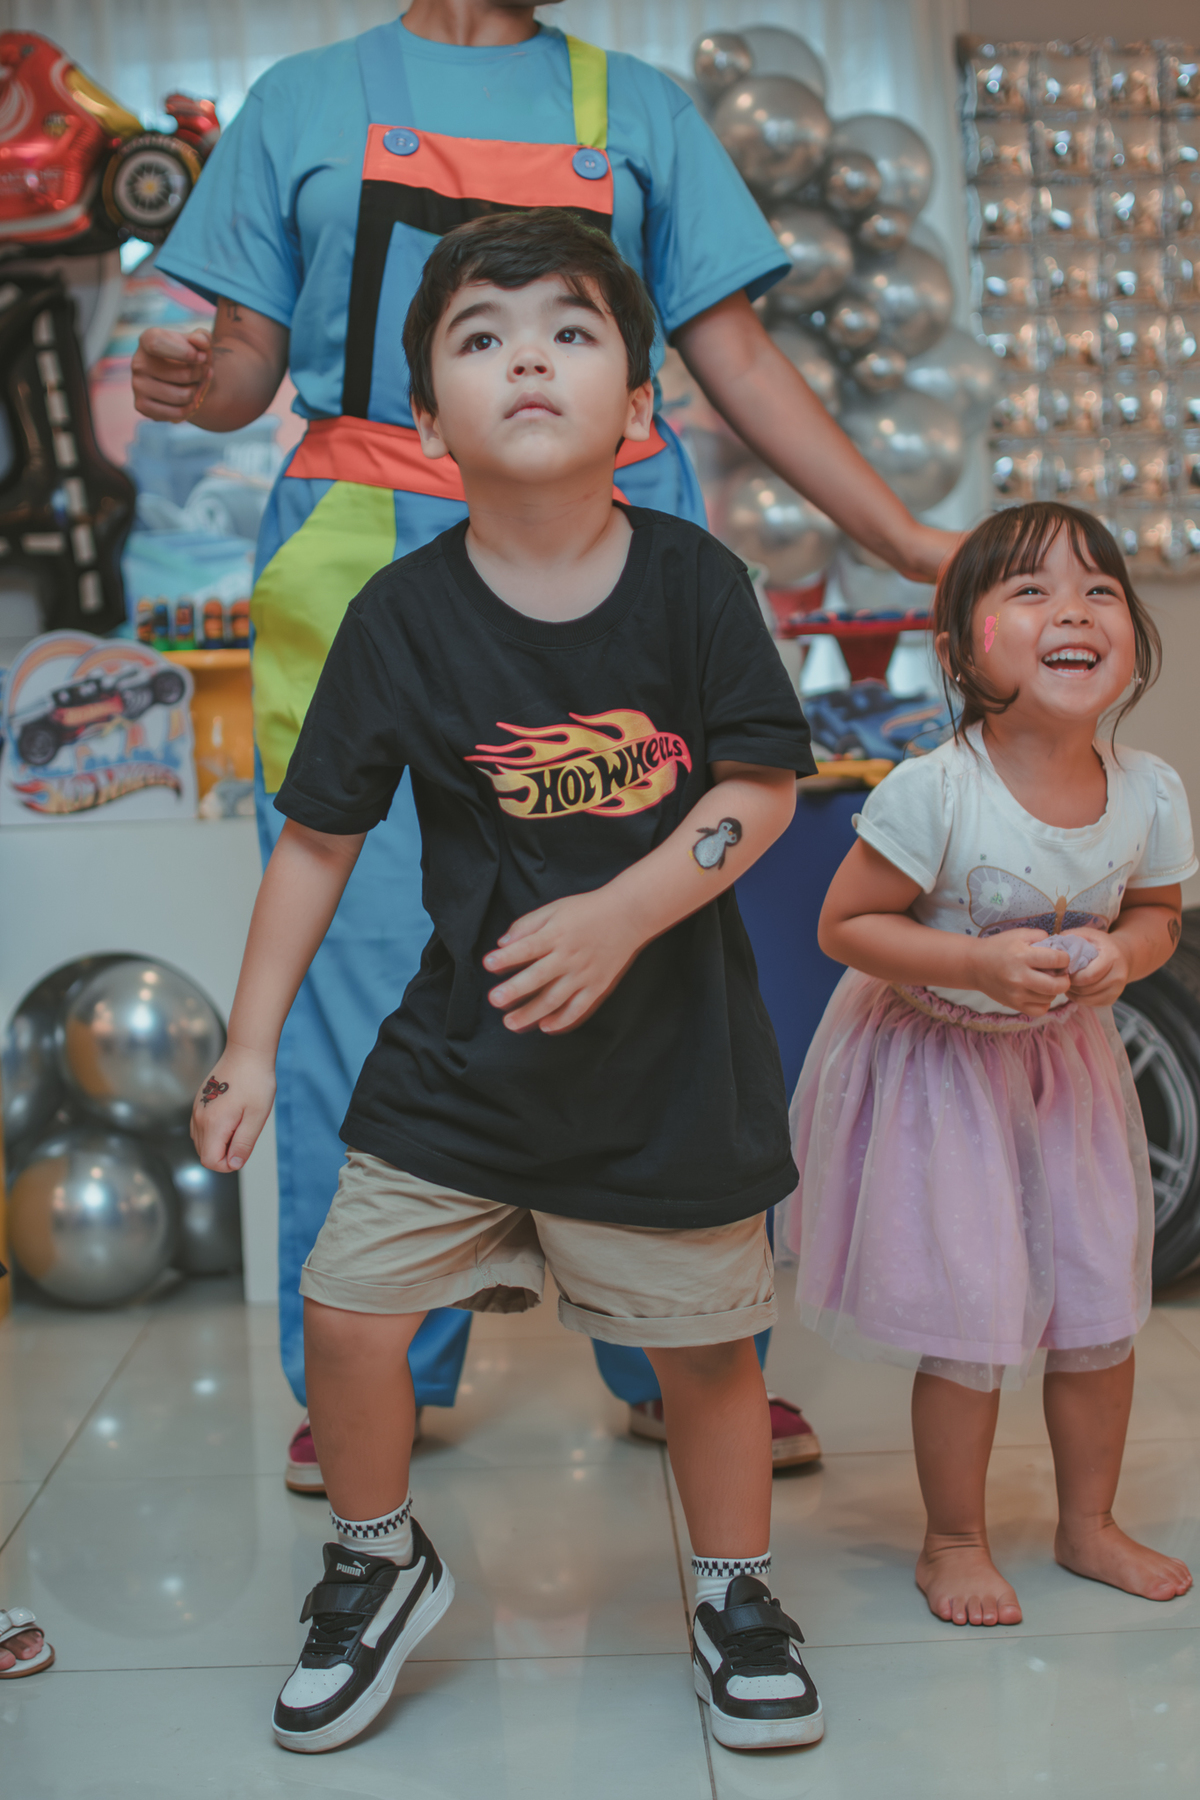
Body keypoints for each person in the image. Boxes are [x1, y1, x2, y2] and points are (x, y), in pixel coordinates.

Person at [135, 0, 956, 1485]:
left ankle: (688, 1349)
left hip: (615, 564)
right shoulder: (301, 99)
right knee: (353, 967)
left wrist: (901, 536)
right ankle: (374, 1354)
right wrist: (205, 385)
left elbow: (742, 362)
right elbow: (251, 358)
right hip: (358, 559)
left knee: (654, 953)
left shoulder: (638, 107)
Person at [192, 208, 825, 1753]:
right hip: (462, 1065)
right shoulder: (397, 621)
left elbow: (760, 784)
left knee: (707, 1357)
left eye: (569, 328)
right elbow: (317, 844)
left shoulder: (693, 584)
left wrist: (621, 912)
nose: (525, 354)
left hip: (669, 1065)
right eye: (480, 336)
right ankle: (375, 1560)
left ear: (635, 409)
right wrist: (252, 1044)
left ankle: (735, 1591)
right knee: (347, 1311)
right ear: (426, 421)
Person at [785, 502, 1196, 1628]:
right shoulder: (936, 788)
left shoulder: (1151, 790)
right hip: (942, 1073)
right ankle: (953, 1539)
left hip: (1067, 1071)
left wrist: (1125, 951)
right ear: (965, 647)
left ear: (1130, 638)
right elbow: (846, 925)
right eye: (1028, 590)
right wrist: (970, 957)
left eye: (1098, 590)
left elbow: (1161, 914)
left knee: (1102, 1301)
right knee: (972, 1316)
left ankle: (1089, 1521)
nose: (1071, 607)